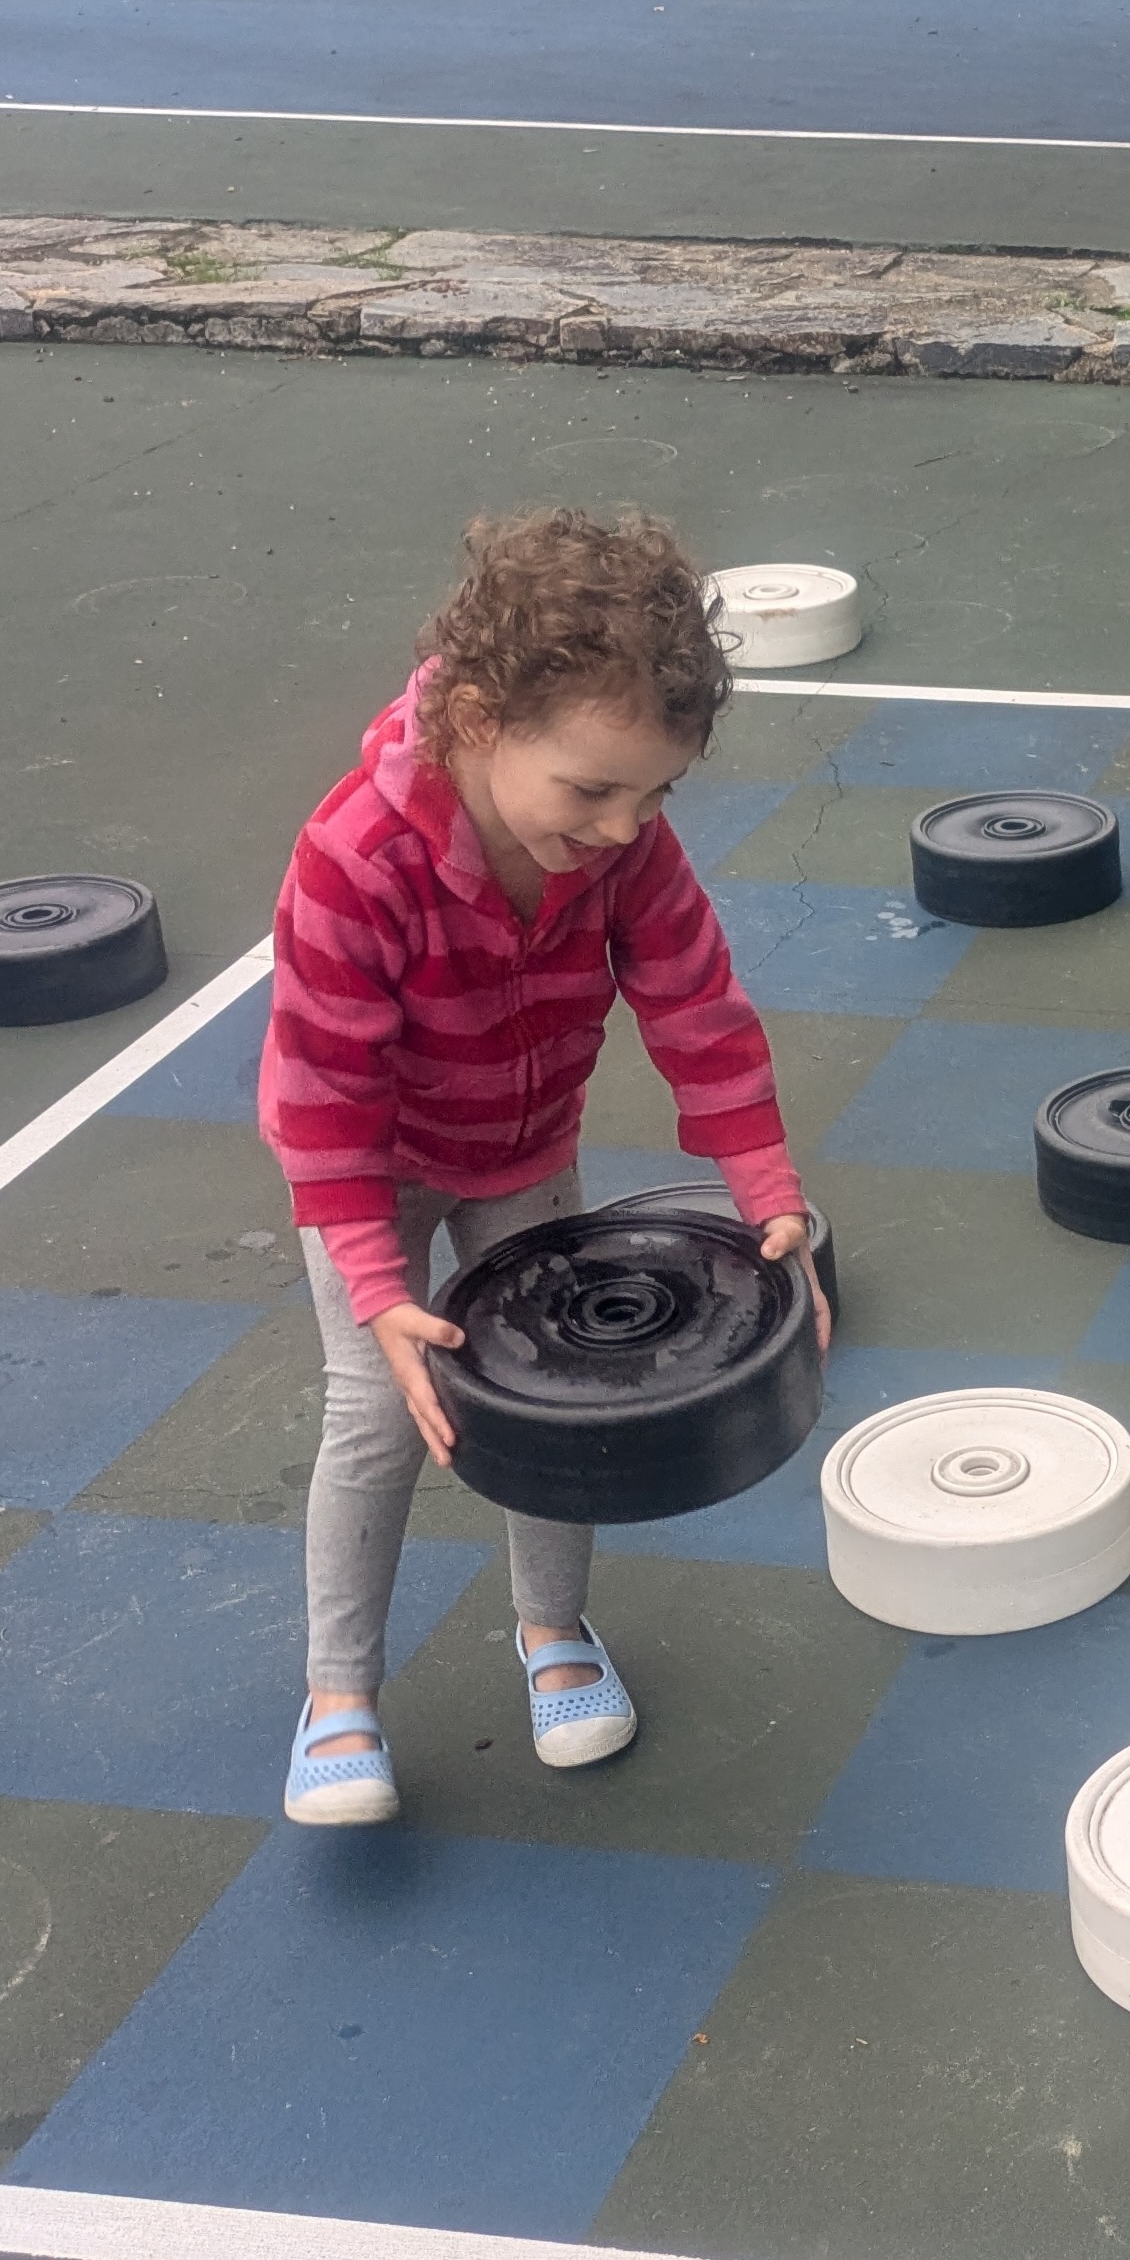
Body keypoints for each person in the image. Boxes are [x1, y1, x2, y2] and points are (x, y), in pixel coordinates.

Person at [257, 508, 820, 1828]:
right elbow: (324, 1098)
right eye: (591, 791)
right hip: (372, 1172)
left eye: (655, 795)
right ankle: (338, 1695)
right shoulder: (355, 862)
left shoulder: (622, 849)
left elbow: (697, 1008)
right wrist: (376, 1283)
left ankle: (553, 1631)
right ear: (473, 720)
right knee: (383, 1409)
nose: (625, 826)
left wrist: (767, 1187)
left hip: (522, 1148)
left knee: (563, 1390)